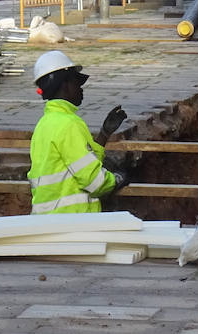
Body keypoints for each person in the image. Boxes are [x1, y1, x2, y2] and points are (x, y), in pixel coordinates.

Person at [27, 50, 129, 214]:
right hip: (72, 222)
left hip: (48, 221)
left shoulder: (44, 124)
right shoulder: (69, 125)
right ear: (65, 85)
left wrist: (104, 134)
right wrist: (117, 179)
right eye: (77, 84)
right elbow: (94, 182)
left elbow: (78, 163)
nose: (81, 89)